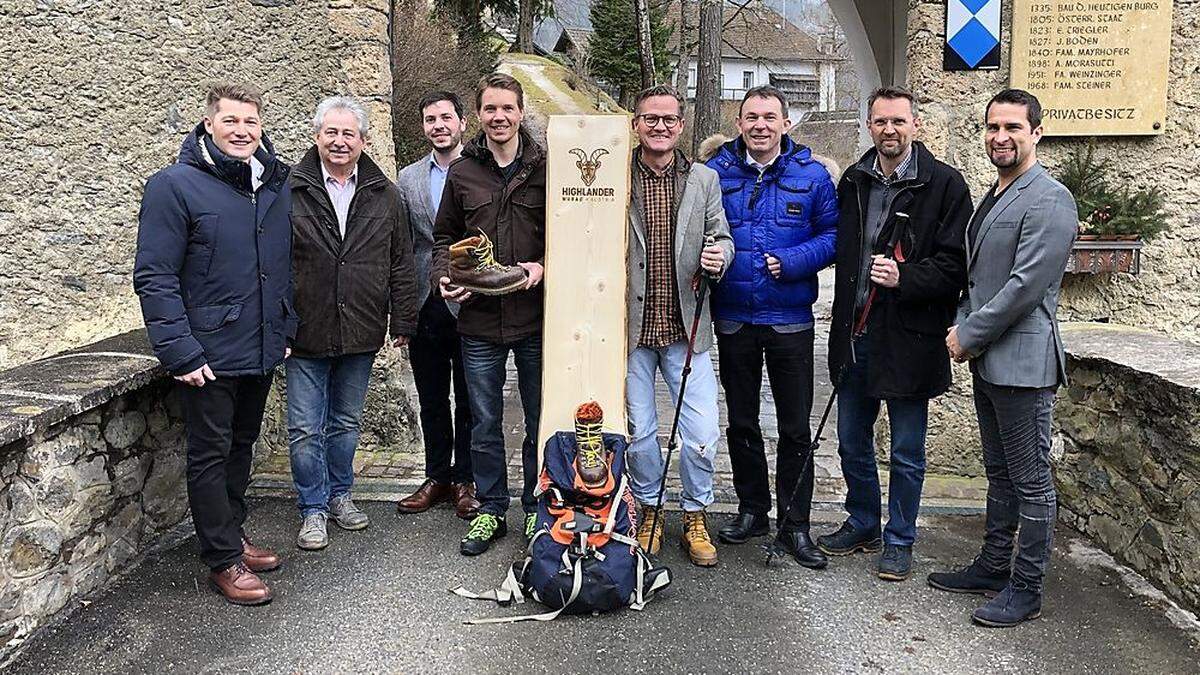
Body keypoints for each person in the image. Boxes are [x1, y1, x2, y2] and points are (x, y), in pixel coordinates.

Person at [134, 82, 292, 606]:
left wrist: (285, 329)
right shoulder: (173, 186)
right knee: (208, 453)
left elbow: (283, 266)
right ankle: (221, 558)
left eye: (250, 122)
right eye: (231, 121)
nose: (241, 131)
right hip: (207, 352)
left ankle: (233, 531)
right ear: (209, 124)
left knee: (241, 446)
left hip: (261, 346)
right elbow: (155, 276)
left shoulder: (272, 183)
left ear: (260, 126)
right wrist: (180, 350)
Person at [931, 89, 1077, 627]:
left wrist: (968, 334)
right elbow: (978, 275)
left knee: (1032, 481)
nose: (1001, 137)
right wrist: (964, 320)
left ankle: (1027, 587)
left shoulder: (1050, 199)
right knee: (999, 472)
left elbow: (1024, 287)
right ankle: (993, 566)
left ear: (1036, 132)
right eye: (993, 127)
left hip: (1022, 363)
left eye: (1013, 127)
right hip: (993, 362)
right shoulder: (996, 194)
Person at [819, 86, 972, 581]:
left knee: (906, 449)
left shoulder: (945, 186)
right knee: (849, 441)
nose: (890, 130)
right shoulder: (854, 180)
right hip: (855, 332)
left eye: (899, 121)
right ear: (869, 126)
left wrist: (905, 278)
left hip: (910, 338)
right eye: (881, 121)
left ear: (916, 125)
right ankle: (864, 520)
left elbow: (956, 265)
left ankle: (900, 538)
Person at [703, 85, 838, 570]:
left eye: (770, 117)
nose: (760, 125)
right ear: (739, 123)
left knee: (795, 427)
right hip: (734, 315)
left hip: (790, 321)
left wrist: (794, 259)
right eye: (751, 117)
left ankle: (795, 524)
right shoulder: (715, 173)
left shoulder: (813, 175)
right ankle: (752, 509)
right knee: (741, 422)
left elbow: (834, 236)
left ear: (786, 123)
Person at [287, 96, 419, 550]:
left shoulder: (386, 194)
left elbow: (400, 261)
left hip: (361, 327)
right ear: (317, 136)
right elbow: (274, 262)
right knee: (305, 427)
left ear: (364, 140)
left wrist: (402, 318)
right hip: (305, 329)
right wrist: (279, 323)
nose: (340, 141)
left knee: (344, 422)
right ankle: (312, 508)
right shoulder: (291, 189)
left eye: (349, 134)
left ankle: (341, 495)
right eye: (331, 132)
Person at [431, 73, 546, 556]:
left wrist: (545, 266)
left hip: (537, 317)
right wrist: (444, 275)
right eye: (490, 109)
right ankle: (492, 508)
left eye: (508, 108)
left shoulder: (548, 167)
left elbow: (571, 233)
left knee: (541, 419)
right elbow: (443, 238)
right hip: (478, 320)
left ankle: (538, 506)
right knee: (484, 420)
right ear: (478, 116)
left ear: (521, 113)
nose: (499, 117)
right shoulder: (463, 173)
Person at [624, 84, 734, 567]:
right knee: (640, 431)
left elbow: (723, 237)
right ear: (636, 124)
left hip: (686, 327)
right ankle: (649, 508)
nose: (660, 127)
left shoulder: (703, 179)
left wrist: (720, 255)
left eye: (669, 119)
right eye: (651, 118)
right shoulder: (613, 173)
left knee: (703, 432)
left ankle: (695, 511)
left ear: (681, 125)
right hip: (629, 326)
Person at [395, 91, 479, 520]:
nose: (439, 126)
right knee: (430, 397)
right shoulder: (408, 179)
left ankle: (466, 479)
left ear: (463, 123)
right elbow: (403, 245)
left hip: (471, 301)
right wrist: (402, 310)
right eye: (430, 119)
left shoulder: (480, 172)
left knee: (469, 397)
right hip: (425, 301)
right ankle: (437, 476)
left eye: (446, 117)